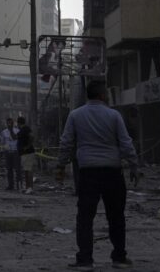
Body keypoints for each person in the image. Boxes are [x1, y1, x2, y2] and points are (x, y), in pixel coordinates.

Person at [55, 80, 138, 271]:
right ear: (102, 95)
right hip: (112, 172)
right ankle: (119, 257)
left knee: (85, 216)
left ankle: (85, 259)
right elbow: (126, 144)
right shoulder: (114, 115)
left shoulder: (75, 115)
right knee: (116, 216)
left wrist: (60, 165)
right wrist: (134, 166)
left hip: (87, 172)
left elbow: (66, 142)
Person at [0, 118, 21, 190]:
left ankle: (19, 186)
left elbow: (17, 140)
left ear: (13, 123)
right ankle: (10, 185)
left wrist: (11, 129)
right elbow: (3, 142)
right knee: (9, 169)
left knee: (17, 169)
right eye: (8, 123)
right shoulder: (4, 132)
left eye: (11, 123)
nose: (9, 124)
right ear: (6, 123)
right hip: (8, 152)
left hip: (16, 152)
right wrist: (2, 151)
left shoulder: (17, 131)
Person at [16, 116, 35, 194]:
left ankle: (30, 188)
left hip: (28, 153)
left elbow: (32, 137)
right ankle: (27, 187)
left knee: (29, 170)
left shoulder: (26, 129)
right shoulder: (21, 130)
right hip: (24, 153)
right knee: (26, 170)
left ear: (18, 123)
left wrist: (27, 146)